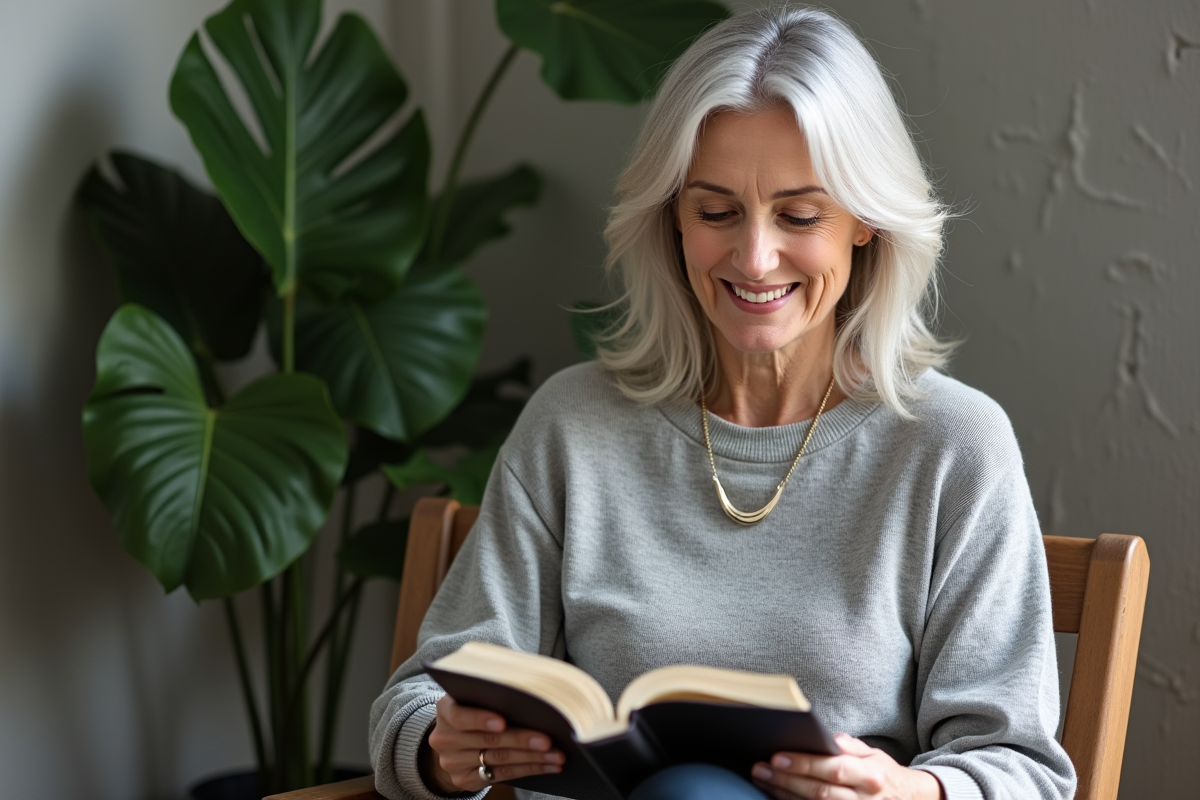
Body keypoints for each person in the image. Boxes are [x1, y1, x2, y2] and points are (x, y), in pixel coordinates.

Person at [370, 7, 1076, 800]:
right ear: (670, 218)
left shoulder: (953, 446)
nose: (754, 256)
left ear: (866, 224)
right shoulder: (573, 426)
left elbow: (1023, 768)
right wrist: (443, 746)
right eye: (715, 212)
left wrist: (912, 792)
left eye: (800, 215)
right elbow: (417, 702)